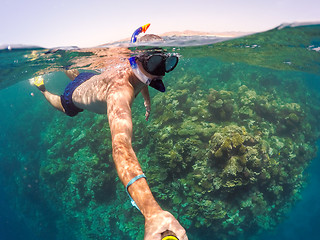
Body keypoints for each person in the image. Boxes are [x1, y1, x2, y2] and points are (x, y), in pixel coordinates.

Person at [31, 25, 188, 240]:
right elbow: (121, 147)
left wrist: (146, 102)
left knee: (77, 74)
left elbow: (146, 82)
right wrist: (152, 213)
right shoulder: (119, 93)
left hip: (88, 78)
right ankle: (42, 88)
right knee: (60, 104)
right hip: (74, 96)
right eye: (154, 63)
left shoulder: (139, 71)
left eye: (166, 64)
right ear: (137, 60)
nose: (160, 70)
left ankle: (63, 62)